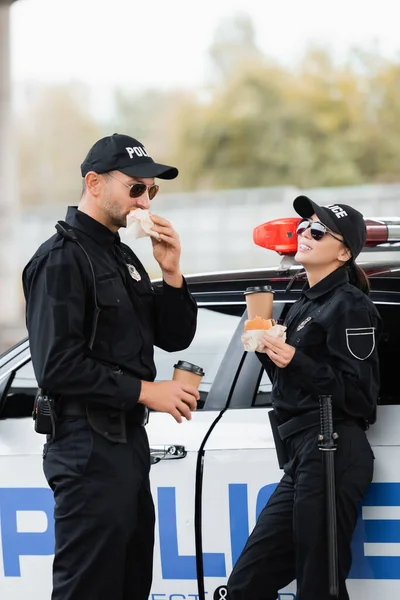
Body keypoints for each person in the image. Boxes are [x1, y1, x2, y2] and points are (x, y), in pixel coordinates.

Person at [22, 133, 199, 600]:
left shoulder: (122, 254)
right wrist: (146, 391)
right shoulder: (61, 258)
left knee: (130, 582)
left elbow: (174, 336)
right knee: (90, 588)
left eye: (151, 190)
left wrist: (172, 273)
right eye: (136, 188)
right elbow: (57, 367)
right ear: (95, 183)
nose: (145, 198)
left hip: (127, 444)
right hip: (85, 448)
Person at [227, 196, 381, 600]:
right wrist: (267, 349)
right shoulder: (303, 303)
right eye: (302, 228)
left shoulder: (349, 305)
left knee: (319, 585)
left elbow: (361, 398)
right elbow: (291, 384)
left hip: (332, 449)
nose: (304, 234)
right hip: (303, 454)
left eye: (317, 231)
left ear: (344, 252)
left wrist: (297, 360)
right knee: (245, 583)